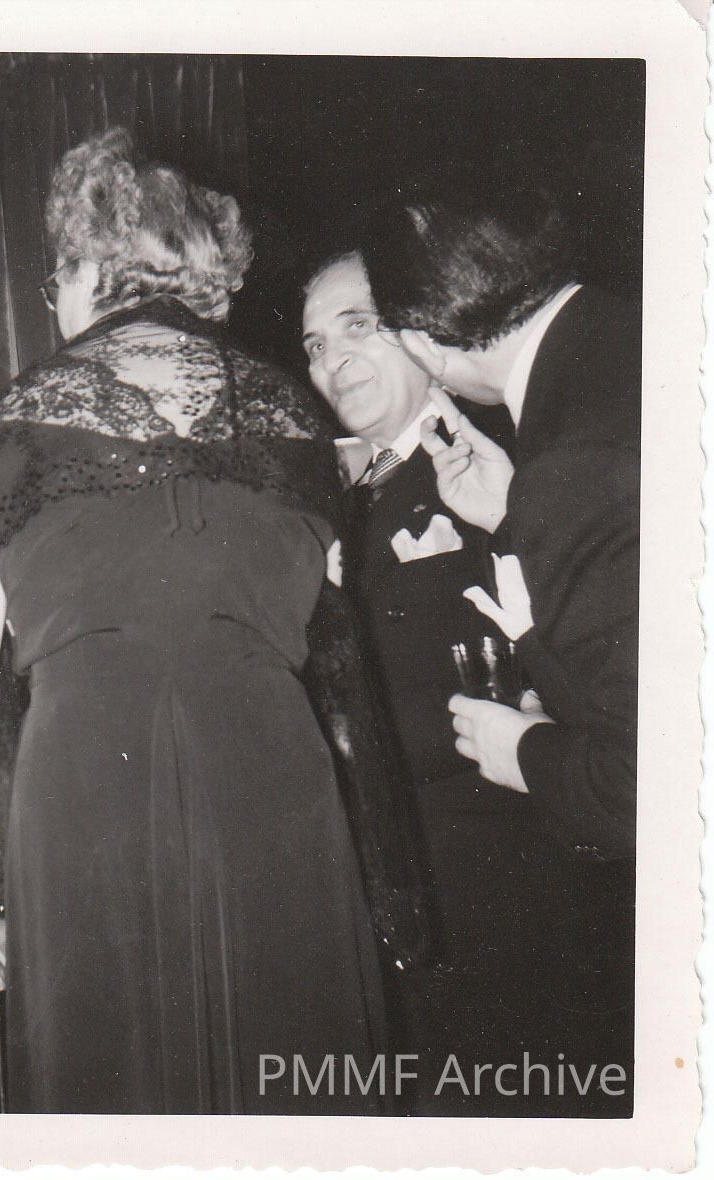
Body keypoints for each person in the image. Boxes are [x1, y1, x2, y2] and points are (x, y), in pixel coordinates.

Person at [0, 128, 421, 1115]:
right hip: (271, 766)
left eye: (55, 278)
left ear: (86, 268)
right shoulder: (295, 420)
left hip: (88, 781)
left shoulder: (16, 421)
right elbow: (324, 624)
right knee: (283, 1053)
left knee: (116, 1073)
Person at [302, 248, 606, 1113]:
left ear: (420, 333)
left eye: (357, 327)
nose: (333, 360)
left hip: (503, 883)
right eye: (315, 344)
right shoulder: (323, 496)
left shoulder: (512, 452)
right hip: (384, 883)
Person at [360, 187, 637, 1110]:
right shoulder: (628, 346)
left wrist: (527, 752)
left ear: (427, 344)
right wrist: (515, 514)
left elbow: (651, 784)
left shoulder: (574, 459)